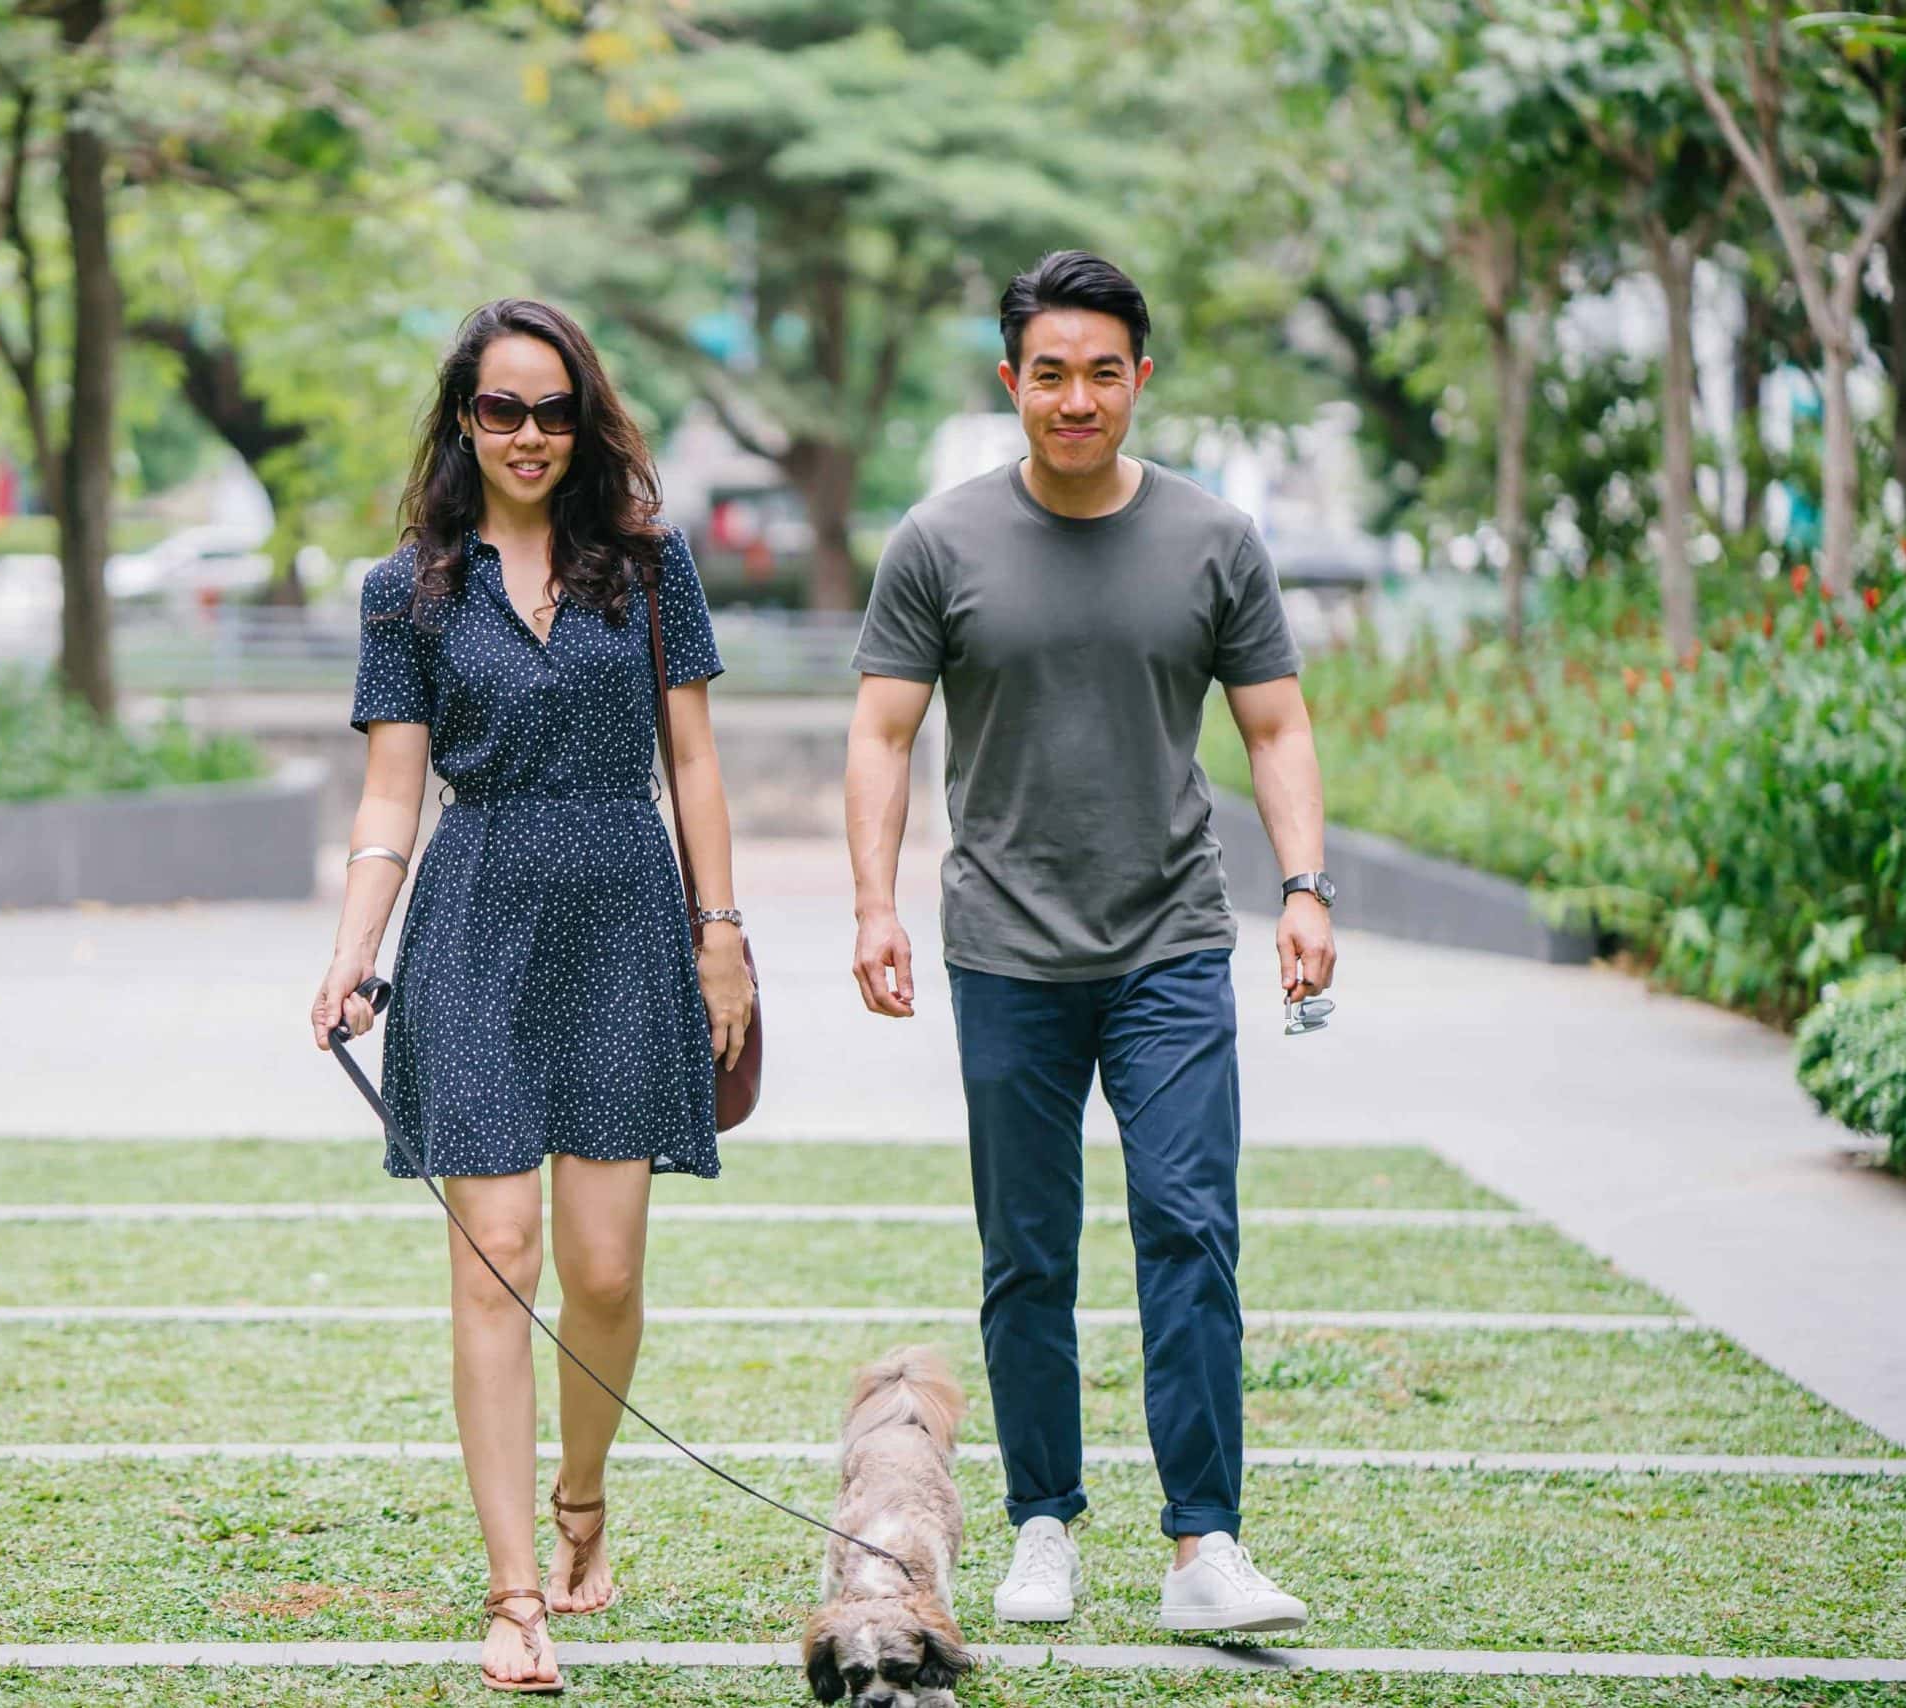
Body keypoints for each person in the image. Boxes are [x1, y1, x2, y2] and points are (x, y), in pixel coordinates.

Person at [842, 251, 1335, 1633]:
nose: (1075, 398)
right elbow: (881, 732)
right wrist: (875, 904)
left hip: (1172, 937)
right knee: (1028, 1251)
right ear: (1013, 381)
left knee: (1190, 1228)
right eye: (1049, 373)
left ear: (1140, 381)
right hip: (1002, 945)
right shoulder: (939, 543)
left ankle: (1203, 1550)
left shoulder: (1214, 539)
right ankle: (1042, 1523)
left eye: (1101, 372)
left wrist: (1305, 886)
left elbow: (1276, 722)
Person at [311, 299, 755, 1693]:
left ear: (586, 418)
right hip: (477, 912)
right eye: (501, 409)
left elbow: (695, 763)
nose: (528, 434)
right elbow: (394, 791)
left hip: (628, 905)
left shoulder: (649, 566)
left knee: (607, 1270)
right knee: (498, 1254)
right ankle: (515, 1596)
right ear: (462, 419)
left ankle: (583, 1501)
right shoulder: (408, 592)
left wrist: (722, 929)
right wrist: (350, 946)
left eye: (553, 409)